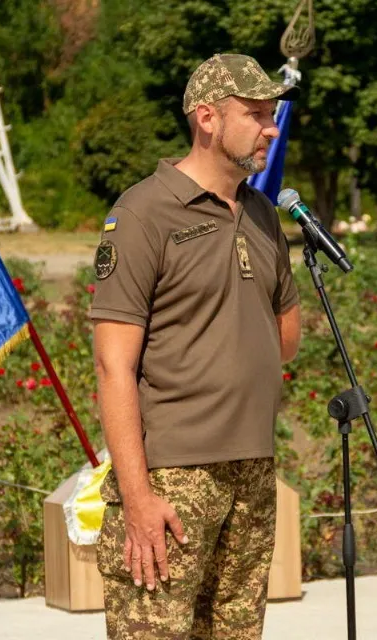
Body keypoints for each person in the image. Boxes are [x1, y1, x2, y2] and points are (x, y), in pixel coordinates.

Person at [90, 53, 302, 639]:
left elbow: (285, 339)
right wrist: (137, 497)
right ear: (207, 118)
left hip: (252, 471)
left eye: (272, 114)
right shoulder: (142, 213)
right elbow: (113, 366)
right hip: (172, 477)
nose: (271, 128)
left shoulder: (262, 212)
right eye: (256, 114)